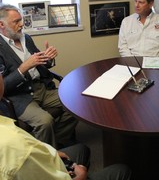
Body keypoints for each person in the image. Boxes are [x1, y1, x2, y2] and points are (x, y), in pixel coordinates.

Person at [0, 75, 131, 180]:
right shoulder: (16, 147)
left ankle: (58, 142)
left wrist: (51, 151)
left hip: (41, 89)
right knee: (122, 170)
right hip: (22, 98)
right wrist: (81, 175)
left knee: (81, 148)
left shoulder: (7, 128)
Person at [0, 3, 78, 149]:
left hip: (43, 87)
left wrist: (48, 58)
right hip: (20, 96)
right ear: (1, 24)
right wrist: (23, 68)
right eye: (16, 21)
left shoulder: (26, 38)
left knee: (76, 105)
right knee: (45, 121)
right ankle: (48, 157)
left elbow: (40, 63)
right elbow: (3, 87)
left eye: (21, 20)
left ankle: (56, 145)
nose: (22, 24)